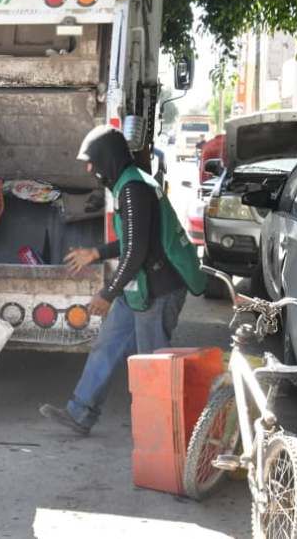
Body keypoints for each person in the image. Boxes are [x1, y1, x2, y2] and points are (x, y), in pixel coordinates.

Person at [40, 125, 201, 435]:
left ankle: (164, 436)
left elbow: (136, 251)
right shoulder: (130, 184)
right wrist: (95, 253)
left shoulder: (134, 190)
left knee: (154, 364)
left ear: (108, 157)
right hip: (140, 286)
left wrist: (108, 293)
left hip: (158, 289)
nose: (90, 168)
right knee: (108, 344)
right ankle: (80, 413)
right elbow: (134, 241)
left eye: (92, 160)